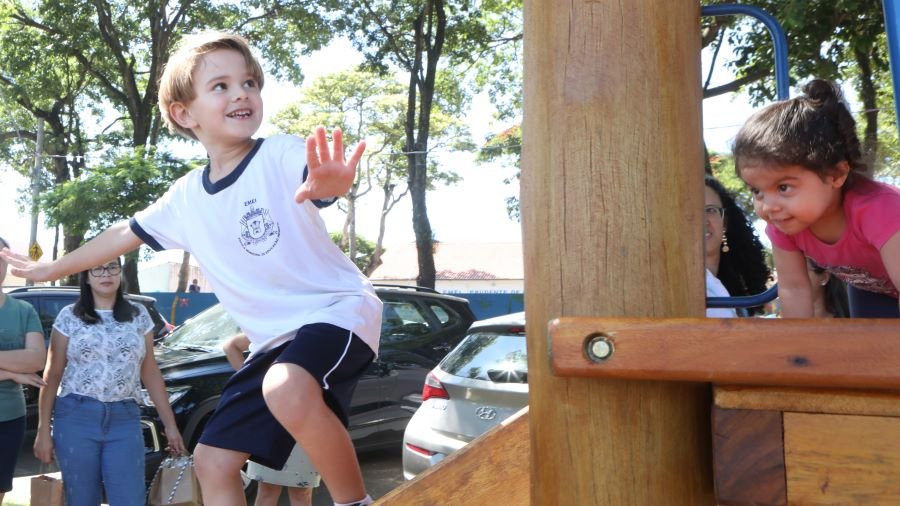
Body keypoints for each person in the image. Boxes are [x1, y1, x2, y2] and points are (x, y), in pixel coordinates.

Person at [2, 32, 381, 506]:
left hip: (337, 311)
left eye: (249, 83)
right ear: (185, 114)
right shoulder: (186, 197)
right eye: (220, 86)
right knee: (212, 460)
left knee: (285, 388)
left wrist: (328, 183)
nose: (241, 92)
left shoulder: (279, 154)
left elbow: (315, 182)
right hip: (274, 340)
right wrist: (50, 268)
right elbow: (123, 234)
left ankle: (355, 503)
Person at [733, 79, 900, 318]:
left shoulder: (881, 212)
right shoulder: (785, 225)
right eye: (756, 191)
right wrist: (796, 353)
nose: (768, 207)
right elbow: (793, 288)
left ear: (836, 174)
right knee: (867, 345)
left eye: (783, 187)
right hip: (874, 289)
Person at [32, 258, 186, 505]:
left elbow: (150, 372)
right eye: (98, 268)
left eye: (113, 267)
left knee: (129, 499)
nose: (106, 273)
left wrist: (170, 424)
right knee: (82, 499)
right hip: (75, 417)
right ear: (86, 276)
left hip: (124, 417)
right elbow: (52, 373)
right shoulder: (69, 316)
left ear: (120, 272)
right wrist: (42, 430)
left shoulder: (138, 315)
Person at [222, 333, 318, 506]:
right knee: (267, 490)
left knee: (302, 491)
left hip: (307, 415)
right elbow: (231, 345)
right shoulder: (276, 325)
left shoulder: (316, 324)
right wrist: (253, 383)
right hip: (270, 416)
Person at [0, 235, 46, 506]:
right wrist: (11, 372)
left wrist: (15, 371)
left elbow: (36, 360)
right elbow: (24, 362)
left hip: (8, 419)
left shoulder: (23, 310)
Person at [704, 175, 772, 317]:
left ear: (725, 223)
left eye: (710, 210)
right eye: (691, 212)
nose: (703, 220)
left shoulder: (731, 291)